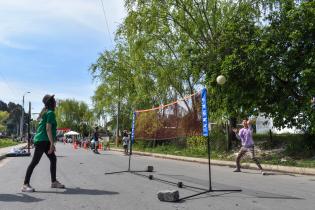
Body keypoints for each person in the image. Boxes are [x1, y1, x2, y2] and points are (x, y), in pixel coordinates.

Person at [22, 94, 65, 192]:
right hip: (42, 140)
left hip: (43, 140)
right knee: (34, 162)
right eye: (54, 101)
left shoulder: (45, 113)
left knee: (53, 159)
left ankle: (54, 182)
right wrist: (52, 143)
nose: (55, 103)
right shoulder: (50, 113)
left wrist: (50, 143)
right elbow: (48, 128)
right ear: (51, 103)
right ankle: (25, 184)